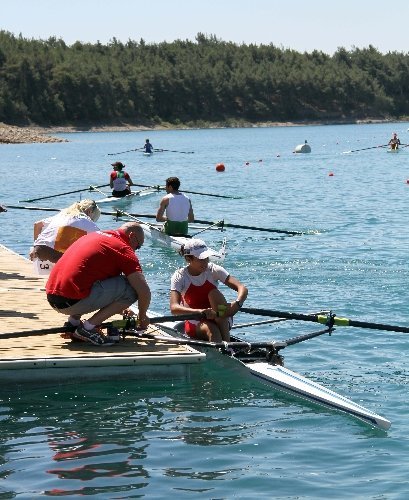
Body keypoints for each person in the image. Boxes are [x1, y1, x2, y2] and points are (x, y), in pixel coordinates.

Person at [45, 222, 151, 345]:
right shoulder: (122, 248)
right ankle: (87, 328)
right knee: (132, 289)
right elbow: (144, 291)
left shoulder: (95, 236)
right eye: (138, 246)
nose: (135, 250)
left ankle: (73, 323)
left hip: (53, 298)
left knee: (85, 278)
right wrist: (142, 317)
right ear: (132, 236)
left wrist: (120, 307)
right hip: (71, 301)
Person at [170, 238, 248, 342]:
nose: (206, 261)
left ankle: (227, 344)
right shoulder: (180, 276)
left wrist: (238, 303)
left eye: (206, 257)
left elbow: (242, 288)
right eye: (201, 259)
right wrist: (200, 311)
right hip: (195, 321)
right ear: (189, 259)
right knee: (212, 330)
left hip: (220, 317)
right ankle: (225, 348)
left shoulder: (214, 270)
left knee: (214, 294)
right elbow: (174, 308)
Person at [29, 199, 101, 263]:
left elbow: (37, 224)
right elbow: (100, 240)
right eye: (93, 218)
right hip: (57, 255)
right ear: (90, 212)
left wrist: (34, 247)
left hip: (39, 250)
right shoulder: (87, 222)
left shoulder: (62, 215)